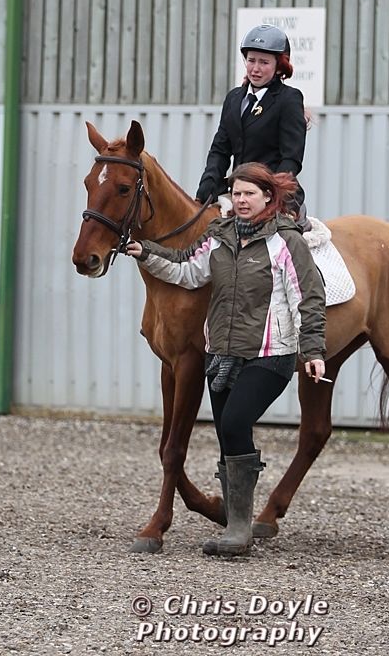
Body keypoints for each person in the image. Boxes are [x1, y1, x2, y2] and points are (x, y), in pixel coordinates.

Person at [126, 162, 326, 557]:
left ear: (268, 197)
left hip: (270, 354)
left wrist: (314, 350)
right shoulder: (219, 236)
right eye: (237, 194)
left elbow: (308, 297)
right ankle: (236, 520)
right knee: (226, 434)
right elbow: (187, 270)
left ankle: (237, 528)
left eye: (250, 193)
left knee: (235, 422)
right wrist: (146, 253)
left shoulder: (286, 241)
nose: (242, 200)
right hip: (222, 354)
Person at [195, 24, 310, 228]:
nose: (255, 69)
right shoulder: (233, 99)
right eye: (251, 60)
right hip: (238, 191)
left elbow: (291, 159)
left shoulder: (289, 99)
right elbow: (220, 150)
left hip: (274, 194)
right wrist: (206, 187)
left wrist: (269, 194)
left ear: (279, 67)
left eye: (264, 62)